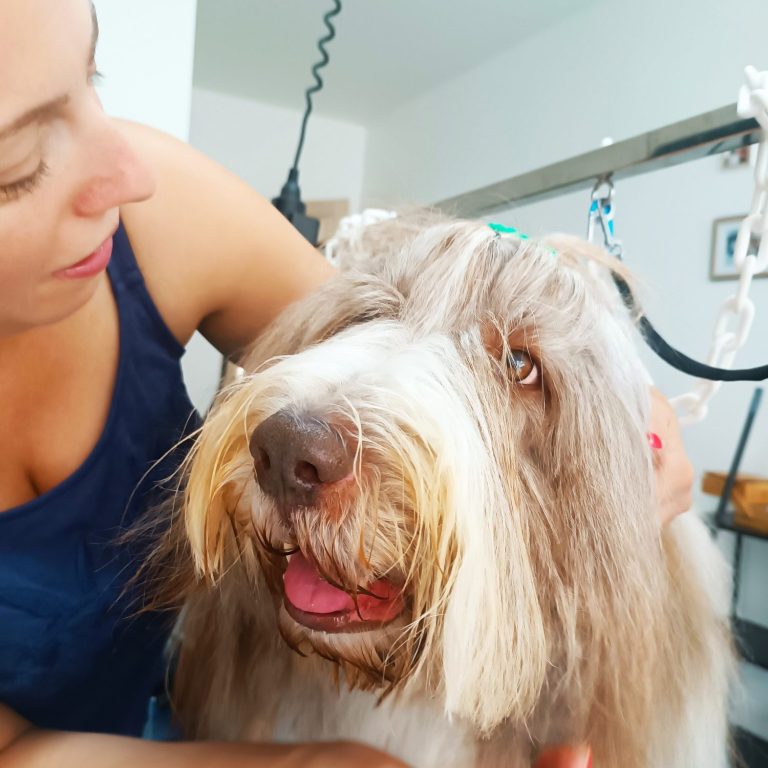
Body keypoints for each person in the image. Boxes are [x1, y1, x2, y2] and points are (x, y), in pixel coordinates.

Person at [0, 1, 692, 766]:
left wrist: (630, 418)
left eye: (93, 75)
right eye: (18, 163)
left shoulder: (165, 213)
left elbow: (403, 318)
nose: (129, 172)